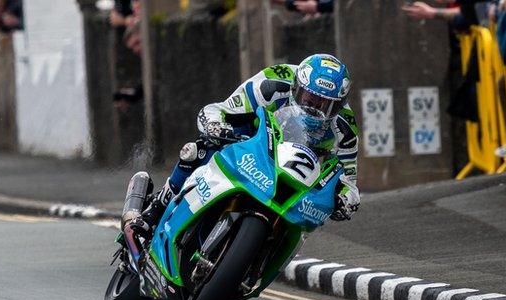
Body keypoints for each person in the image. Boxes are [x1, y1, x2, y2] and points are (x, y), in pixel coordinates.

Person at [129, 53, 361, 238]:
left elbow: (349, 182)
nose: (314, 109)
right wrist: (216, 127)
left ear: (340, 105)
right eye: (309, 99)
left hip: (295, 168)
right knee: (199, 150)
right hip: (253, 138)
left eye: (325, 105)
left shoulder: (345, 130)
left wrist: (344, 200)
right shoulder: (272, 84)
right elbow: (218, 110)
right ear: (295, 88)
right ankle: (156, 209)